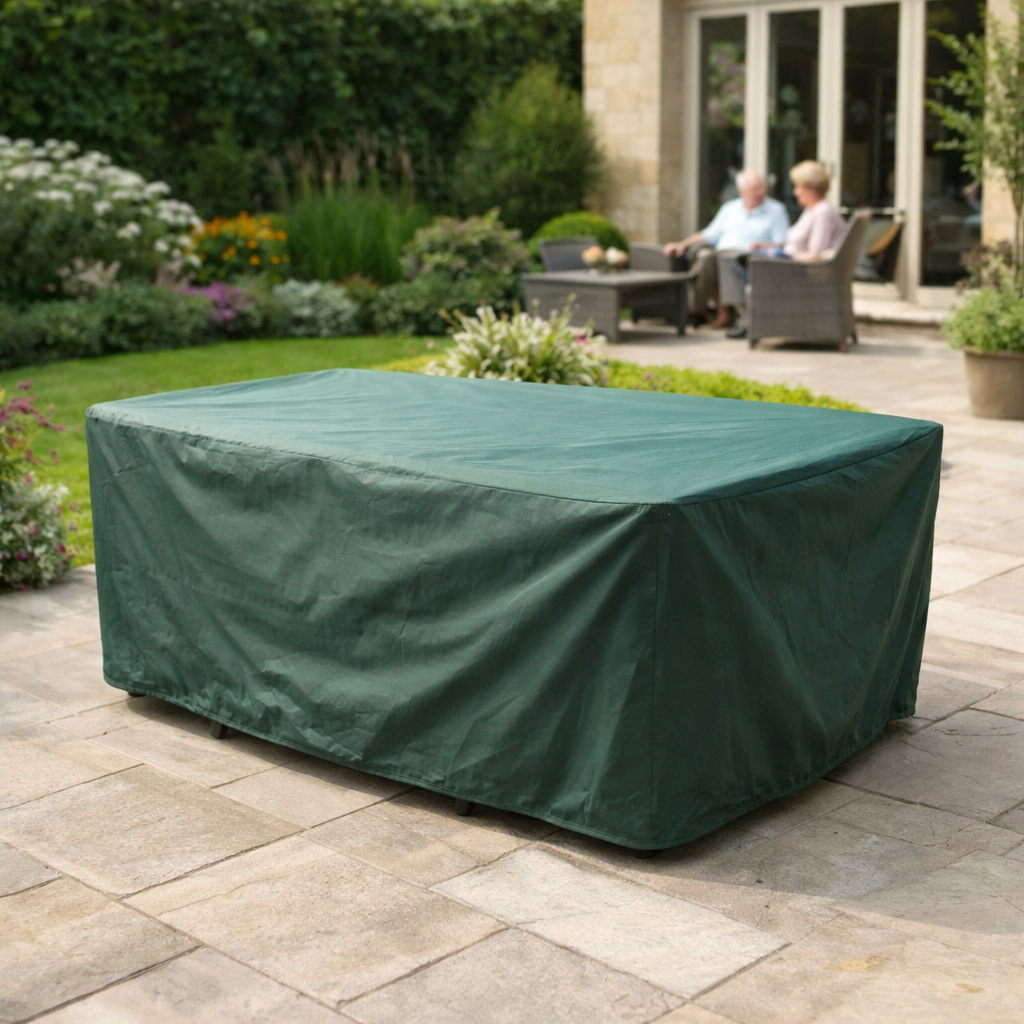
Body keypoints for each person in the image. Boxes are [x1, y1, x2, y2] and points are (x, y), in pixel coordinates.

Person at [723, 160, 847, 338]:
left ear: (811, 187)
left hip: (799, 272)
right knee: (736, 260)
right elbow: (800, 244)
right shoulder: (813, 209)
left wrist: (783, 255)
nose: (795, 192)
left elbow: (816, 255)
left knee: (739, 263)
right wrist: (770, 246)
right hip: (792, 265)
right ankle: (747, 317)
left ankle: (749, 319)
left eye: (798, 187)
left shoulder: (822, 213)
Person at [663, 170, 789, 328]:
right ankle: (711, 310)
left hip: (748, 256)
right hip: (720, 254)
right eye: (754, 189)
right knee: (705, 258)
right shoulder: (730, 208)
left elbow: (782, 243)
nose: (760, 192)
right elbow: (709, 234)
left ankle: (697, 310)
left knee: (713, 261)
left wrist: (763, 245)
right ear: (741, 191)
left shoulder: (776, 210)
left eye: (761, 187)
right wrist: (682, 244)